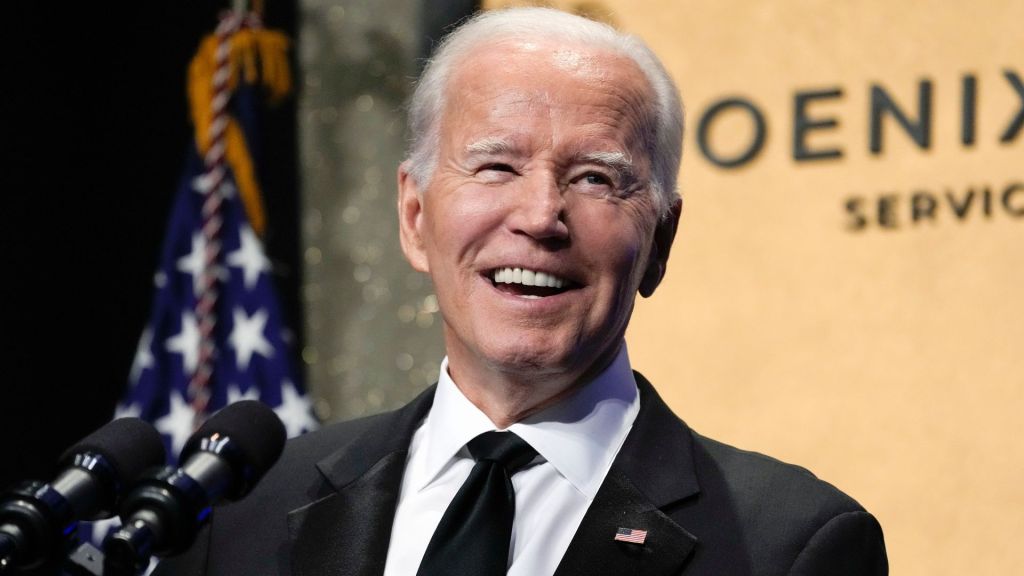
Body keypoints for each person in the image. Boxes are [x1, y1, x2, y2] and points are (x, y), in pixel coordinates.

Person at [153, 6, 888, 575]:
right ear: (414, 216)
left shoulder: (793, 544)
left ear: (659, 242)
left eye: (596, 178)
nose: (540, 217)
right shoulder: (241, 509)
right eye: (497, 166)